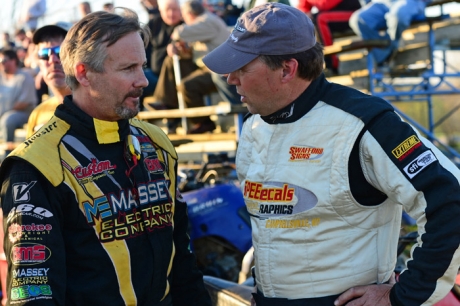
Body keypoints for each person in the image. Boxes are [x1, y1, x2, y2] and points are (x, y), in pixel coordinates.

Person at [203, 3, 460, 305]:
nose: (231, 79)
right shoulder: (253, 126)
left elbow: (450, 202)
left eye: (242, 68)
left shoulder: (365, 121)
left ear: (287, 69)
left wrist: (403, 296)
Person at [0, 8, 212, 305]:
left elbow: (183, 263)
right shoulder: (35, 165)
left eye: (142, 66)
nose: (143, 81)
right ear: (84, 73)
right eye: (128, 69)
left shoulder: (157, 143)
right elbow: (34, 292)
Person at [152, 0, 231, 134]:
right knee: (170, 61)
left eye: (183, 15)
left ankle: (204, 122)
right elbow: (195, 51)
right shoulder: (207, 21)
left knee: (187, 86)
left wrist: (176, 42)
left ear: (189, 14)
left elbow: (180, 32)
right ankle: (165, 102)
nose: (183, 19)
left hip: (220, 70)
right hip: (211, 67)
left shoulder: (207, 21)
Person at [348, 0, 431, 67]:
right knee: (357, 19)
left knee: (398, 16)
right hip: (382, 3)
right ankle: (383, 55)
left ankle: (391, 46)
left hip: (410, 2)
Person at [26, 21, 73, 137]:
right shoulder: (37, 114)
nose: (52, 60)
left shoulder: (100, 109)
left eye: (60, 51)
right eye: (44, 53)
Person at [297, 0, 362, 75]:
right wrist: (305, 13)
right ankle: (313, 65)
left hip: (353, 14)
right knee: (308, 21)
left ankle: (331, 65)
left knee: (320, 19)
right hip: (330, 15)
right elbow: (302, 7)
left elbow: (325, 4)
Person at [0, 49, 38, 159]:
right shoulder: (1, 77)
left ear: (13, 61)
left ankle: (9, 153)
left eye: (3, 60)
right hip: (4, 111)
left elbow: (23, 103)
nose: (1, 64)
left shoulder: (24, 77)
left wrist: (4, 111)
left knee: (8, 119)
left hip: (24, 112)